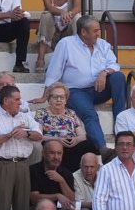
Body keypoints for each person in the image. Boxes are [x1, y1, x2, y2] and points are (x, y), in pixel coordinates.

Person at [44, 16, 126, 150]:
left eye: (99, 30)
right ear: (83, 32)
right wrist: (46, 93)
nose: (98, 33)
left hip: (99, 89)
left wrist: (104, 73)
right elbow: (54, 70)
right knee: (90, 115)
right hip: (76, 91)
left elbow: (114, 64)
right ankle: (103, 149)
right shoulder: (66, 44)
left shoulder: (102, 44)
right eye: (95, 31)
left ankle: (121, 124)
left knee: (118, 77)